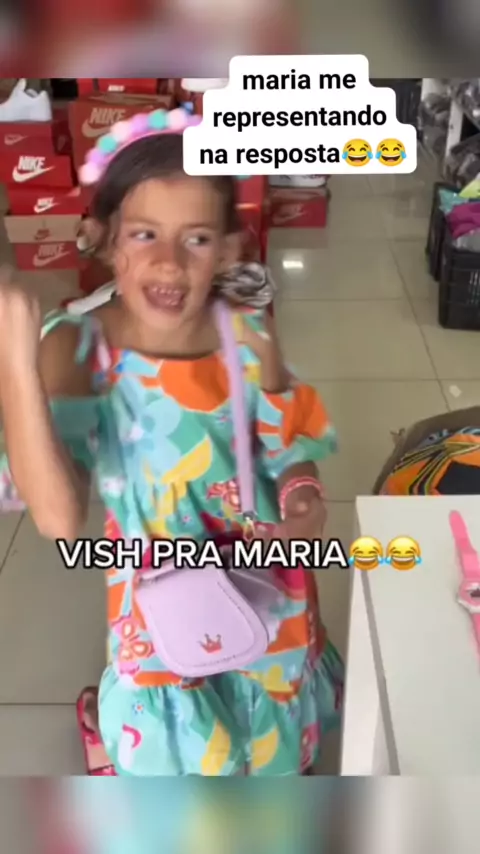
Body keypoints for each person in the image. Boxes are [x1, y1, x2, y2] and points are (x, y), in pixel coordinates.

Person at [0, 107, 343, 776]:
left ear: (229, 248)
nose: (169, 262)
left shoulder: (248, 332)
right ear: (103, 238)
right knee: (176, 762)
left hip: (267, 586)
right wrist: (17, 364)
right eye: (145, 233)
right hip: (159, 605)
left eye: (196, 239)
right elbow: (58, 518)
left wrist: (302, 494)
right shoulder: (78, 347)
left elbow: (287, 446)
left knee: (269, 747)